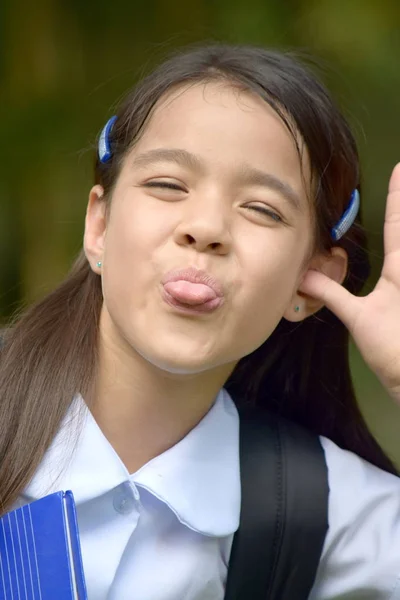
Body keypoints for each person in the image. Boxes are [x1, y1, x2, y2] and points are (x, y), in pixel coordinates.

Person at [1, 43, 400, 599]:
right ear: (99, 225)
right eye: (167, 185)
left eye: (262, 208)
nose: (206, 227)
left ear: (313, 281)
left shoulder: (332, 516)